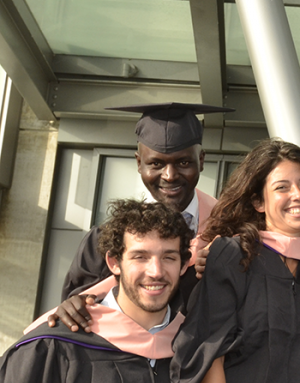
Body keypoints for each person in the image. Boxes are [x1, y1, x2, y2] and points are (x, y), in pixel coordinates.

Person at [171, 139, 300, 383]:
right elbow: (211, 357)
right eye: (282, 187)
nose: (298, 195)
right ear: (258, 201)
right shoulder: (234, 257)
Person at [0, 199, 192, 383]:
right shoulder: (52, 348)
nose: (156, 271)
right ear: (113, 262)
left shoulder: (191, 351)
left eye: (169, 257)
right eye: (140, 257)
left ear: (184, 265)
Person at [60, 102, 232, 303]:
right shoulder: (104, 241)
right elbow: (75, 308)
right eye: (156, 164)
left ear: (201, 161)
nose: (170, 176)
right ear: (139, 163)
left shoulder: (229, 230)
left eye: (183, 162)